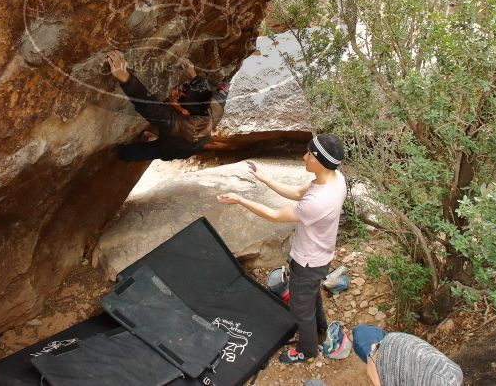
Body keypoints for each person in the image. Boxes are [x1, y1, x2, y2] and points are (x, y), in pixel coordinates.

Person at [217, 134, 347, 364]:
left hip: (307, 261)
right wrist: (264, 179)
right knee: (311, 294)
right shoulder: (335, 179)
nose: (303, 157)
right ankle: (320, 327)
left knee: (300, 309)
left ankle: (307, 350)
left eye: (309, 154)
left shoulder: (318, 202)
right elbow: (298, 192)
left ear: (319, 161)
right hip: (320, 256)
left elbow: (275, 216)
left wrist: (240, 200)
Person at [106, 50, 227, 161]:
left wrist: (124, 77)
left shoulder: (175, 124)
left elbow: (147, 106)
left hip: (179, 148)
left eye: (177, 95)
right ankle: (153, 138)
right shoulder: (214, 103)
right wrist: (192, 73)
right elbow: (204, 90)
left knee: (153, 150)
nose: (174, 90)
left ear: (185, 112)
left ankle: (121, 153)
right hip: (200, 140)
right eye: (180, 87)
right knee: (165, 136)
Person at [352, 325, 463, 386]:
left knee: (361, 335)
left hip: (390, 346)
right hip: (392, 345)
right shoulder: (454, 374)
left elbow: (373, 370)